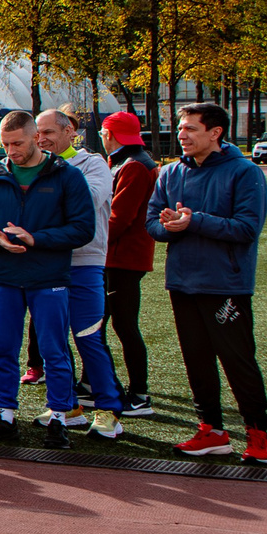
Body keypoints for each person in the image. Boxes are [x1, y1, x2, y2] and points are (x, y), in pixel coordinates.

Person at [146, 102, 267, 463]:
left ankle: (258, 432)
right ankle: (211, 430)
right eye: (180, 128)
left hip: (225, 285)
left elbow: (247, 229)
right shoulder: (170, 173)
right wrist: (167, 227)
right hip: (182, 283)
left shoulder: (245, 172)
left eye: (190, 128)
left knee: (237, 359)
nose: (181, 134)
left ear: (215, 133)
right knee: (196, 359)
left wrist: (194, 220)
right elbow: (151, 221)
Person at [0, 110, 94, 447]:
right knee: (3, 347)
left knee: (54, 349)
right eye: (5, 144)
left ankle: (59, 418)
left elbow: (83, 228)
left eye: (18, 143)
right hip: (4, 275)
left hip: (48, 275)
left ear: (36, 137)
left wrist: (38, 239)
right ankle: (6, 416)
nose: (11, 150)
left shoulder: (67, 176)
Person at [34, 108, 123, 436]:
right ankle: (66, 406)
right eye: (37, 134)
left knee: (88, 337)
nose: (42, 139)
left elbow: (84, 201)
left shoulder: (93, 164)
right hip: (46, 265)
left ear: (70, 131)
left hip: (85, 264)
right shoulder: (35, 166)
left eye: (48, 132)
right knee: (51, 340)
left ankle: (108, 409)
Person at [100, 111, 157, 415]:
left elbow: (118, 219)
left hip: (122, 258)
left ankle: (139, 393)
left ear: (109, 135)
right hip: (121, 256)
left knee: (122, 326)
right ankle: (105, 383)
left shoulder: (133, 166)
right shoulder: (133, 161)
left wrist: (88, 239)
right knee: (109, 324)